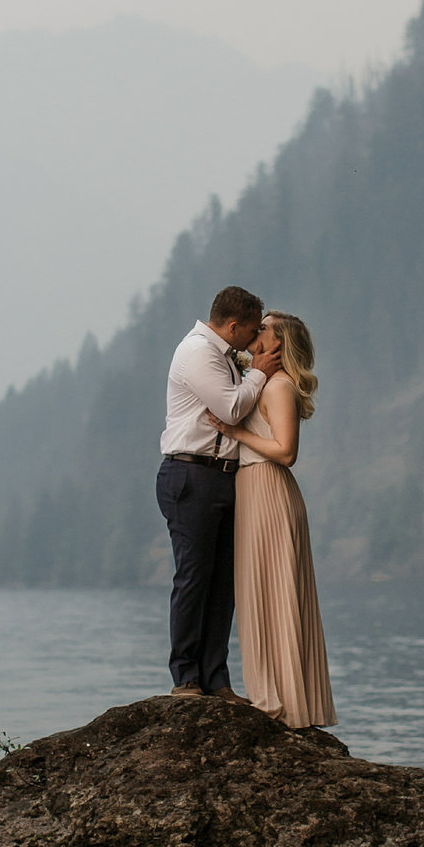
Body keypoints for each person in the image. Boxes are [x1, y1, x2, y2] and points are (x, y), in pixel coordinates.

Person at [206, 312, 337, 728]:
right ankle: (274, 695)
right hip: (252, 488)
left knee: (274, 591)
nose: (253, 329)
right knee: (258, 592)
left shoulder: (280, 387)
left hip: (269, 488)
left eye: (262, 327)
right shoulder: (261, 380)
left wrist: (235, 432)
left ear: (279, 344)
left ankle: (283, 703)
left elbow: (286, 452)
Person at [157, 287, 281, 698]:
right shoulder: (198, 353)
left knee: (222, 581)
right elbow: (230, 408)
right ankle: (186, 677)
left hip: (222, 475)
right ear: (232, 326)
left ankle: (216, 678)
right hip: (191, 473)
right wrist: (259, 372)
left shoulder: (224, 356)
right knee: (193, 577)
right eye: (249, 331)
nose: (252, 340)